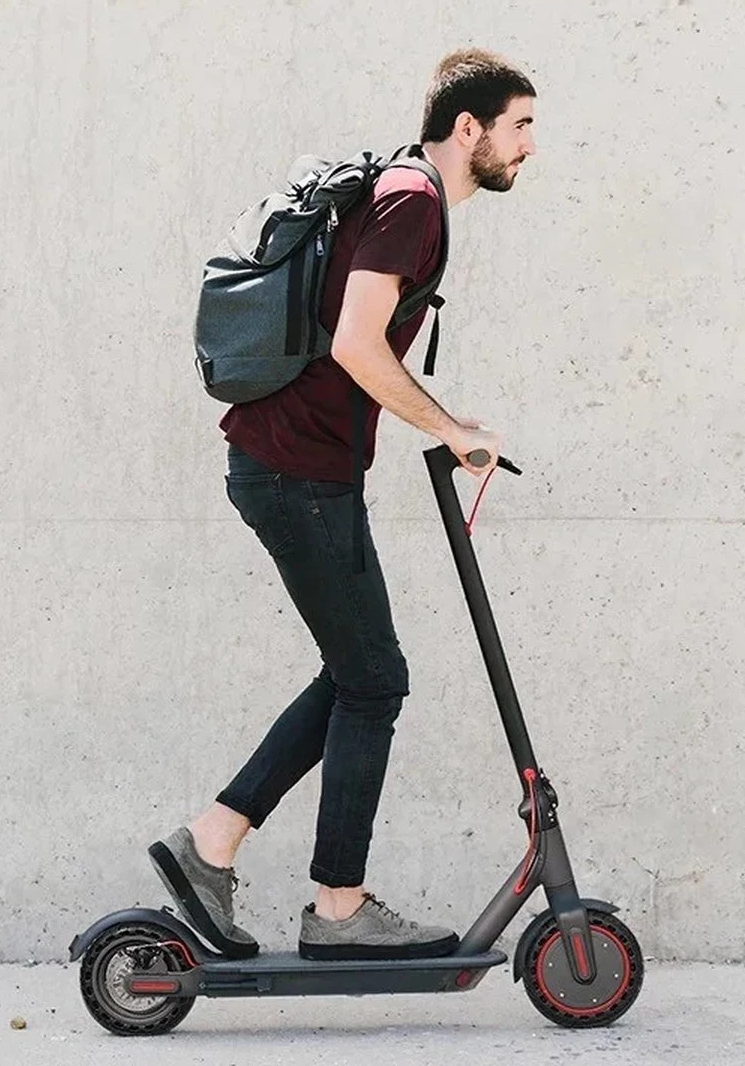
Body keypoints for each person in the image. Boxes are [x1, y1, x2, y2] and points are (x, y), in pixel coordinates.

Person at [149, 48, 538, 961]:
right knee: (374, 679)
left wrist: (444, 426)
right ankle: (336, 907)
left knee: (354, 672)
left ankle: (210, 845)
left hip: (298, 467)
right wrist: (447, 428)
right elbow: (361, 344)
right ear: (469, 128)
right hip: (297, 471)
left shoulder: (404, 194)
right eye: (519, 126)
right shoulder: (413, 202)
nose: (530, 147)